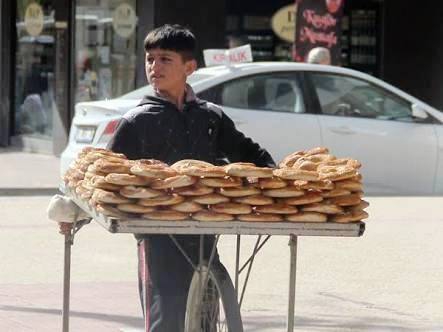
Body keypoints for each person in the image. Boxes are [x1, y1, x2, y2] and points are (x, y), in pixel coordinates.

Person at [106, 24, 275, 331]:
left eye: (165, 59)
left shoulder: (210, 116)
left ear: (190, 67)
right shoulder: (136, 121)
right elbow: (104, 175)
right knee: (165, 319)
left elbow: (249, 153)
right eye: (150, 59)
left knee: (205, 320)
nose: (154, 67)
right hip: (157, 239)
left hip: (205, 234)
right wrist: (73, 213)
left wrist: (279, 179)